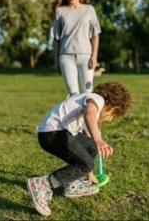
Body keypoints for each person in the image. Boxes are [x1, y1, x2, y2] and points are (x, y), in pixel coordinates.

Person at [27, 81, 132, 216]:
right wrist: (99, 140)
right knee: (86, 162)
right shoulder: (97, 99)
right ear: (113, 106)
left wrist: (89, 173)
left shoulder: (88, 106)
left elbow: (89, 145)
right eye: (113, 115)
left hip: (59, 132)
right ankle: (42, 184)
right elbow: (89, 115)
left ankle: (74, 183)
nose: (110, 120)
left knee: (91, 149)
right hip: (53, 133)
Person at [50, 0, 101, 97]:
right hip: (66, 57)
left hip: (86, 56)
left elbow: (95, 35)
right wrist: (55, 61)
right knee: (73, 94)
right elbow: (56, 39)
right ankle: (76, 114)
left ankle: (87, 114)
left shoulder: (89, 9)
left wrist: (94, 56)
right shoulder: (60, 11)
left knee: (88, 93)